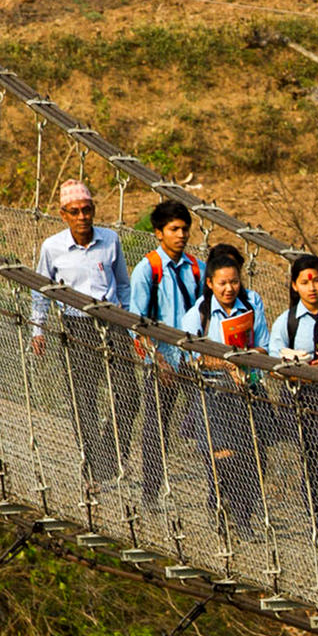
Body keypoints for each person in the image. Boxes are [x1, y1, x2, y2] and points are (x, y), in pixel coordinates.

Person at [27, 180, 131, 491]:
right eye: (75, 212)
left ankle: (108, 460)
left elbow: (123, 283)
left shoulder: (111, 240)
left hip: (112, 323)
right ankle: (94, 473)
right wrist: (38, 328)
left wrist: (126, 319)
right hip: (76, 326)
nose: (82, 216)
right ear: (63, 215)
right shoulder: (52, 247)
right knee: (83, 401)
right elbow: (41, 290)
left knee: (128, 395)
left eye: (87, 210)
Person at [126, 199, 205, 511]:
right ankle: (150, 494)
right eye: (174, 229)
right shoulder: (148, 269)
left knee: (211, 425)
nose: (181, 235)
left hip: (192, 361)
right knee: (156, 429)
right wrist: (157, 361)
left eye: (185, 229)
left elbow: (204, 315)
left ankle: (219, 497)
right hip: (160, 362)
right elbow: (137, 321)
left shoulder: (196, 269)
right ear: (159, 233)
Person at [190, 243, 268, 532]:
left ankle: (243, 518)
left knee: (250, 458)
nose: (229, 289)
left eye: (234, 282)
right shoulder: (199, 313)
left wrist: (250, 357)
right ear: (210, 283)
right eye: (222, 283)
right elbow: (191, 356)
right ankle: (225, 514)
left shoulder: (251, 308)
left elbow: (265, 347)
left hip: (247, 391)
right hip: (214, 394)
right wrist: (227, 363)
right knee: (226, 457)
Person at [268, 253, 318, 544]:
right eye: (304, 282)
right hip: (302, 399)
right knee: (310, 462)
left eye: (316, 281)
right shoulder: (286, 322)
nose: (312, 288)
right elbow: (273, 365)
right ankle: (317, 524)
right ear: (294, 286)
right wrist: (297, 371)